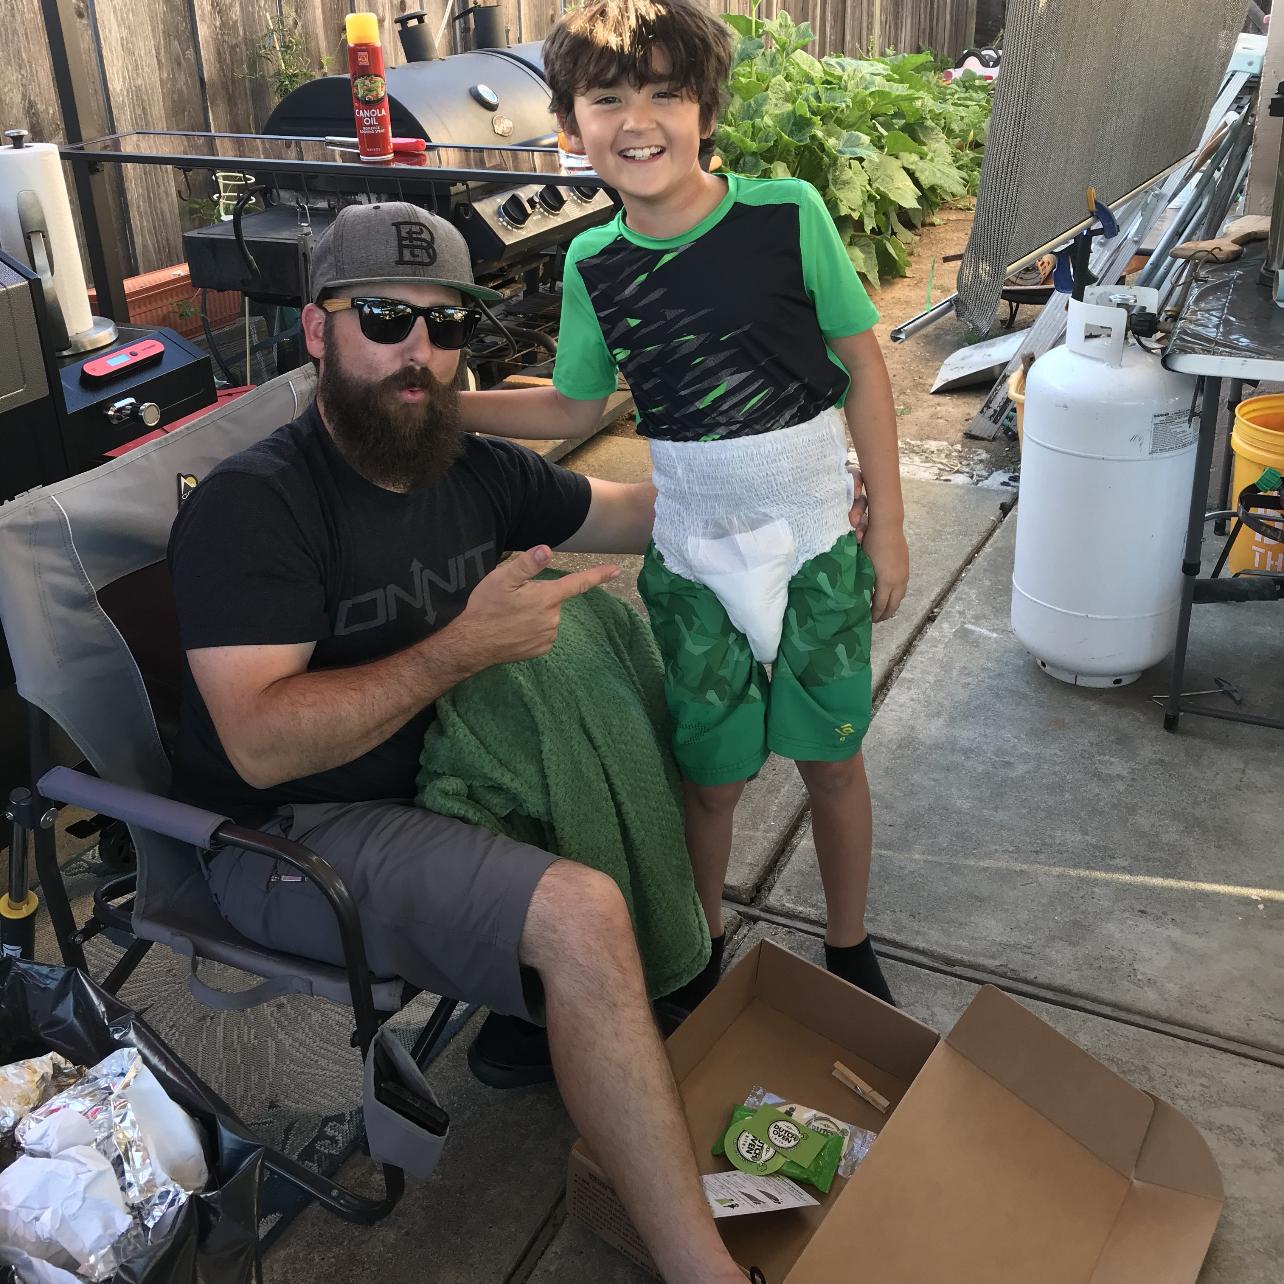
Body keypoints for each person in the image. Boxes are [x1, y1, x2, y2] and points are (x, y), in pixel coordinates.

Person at [167, 201, 761, 1284]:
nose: (420, 355)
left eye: (447, 330)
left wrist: (776, 485)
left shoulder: (467, 466)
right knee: (581, 917)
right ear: (316, 330)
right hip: (296, 836)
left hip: (445, 780)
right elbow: (259, 747)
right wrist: (460, 650)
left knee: (651, 722)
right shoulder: (259, 509)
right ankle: (702, 1271)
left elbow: (627, 511)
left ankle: (548, 1027)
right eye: (386, 317)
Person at [461, 0, 909, 1008]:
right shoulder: (593, 263)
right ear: (573, 127)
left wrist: (890, 526)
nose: (638, 119)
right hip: (693, 562)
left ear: (705, 109)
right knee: (711, 779)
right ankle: (698, 953)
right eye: (608, 98)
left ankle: (848, 944)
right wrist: (448, 408)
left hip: (816, 552)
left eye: (666, 92)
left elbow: (862, 368)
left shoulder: (784, 213)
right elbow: (579, 402)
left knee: (831, 765)